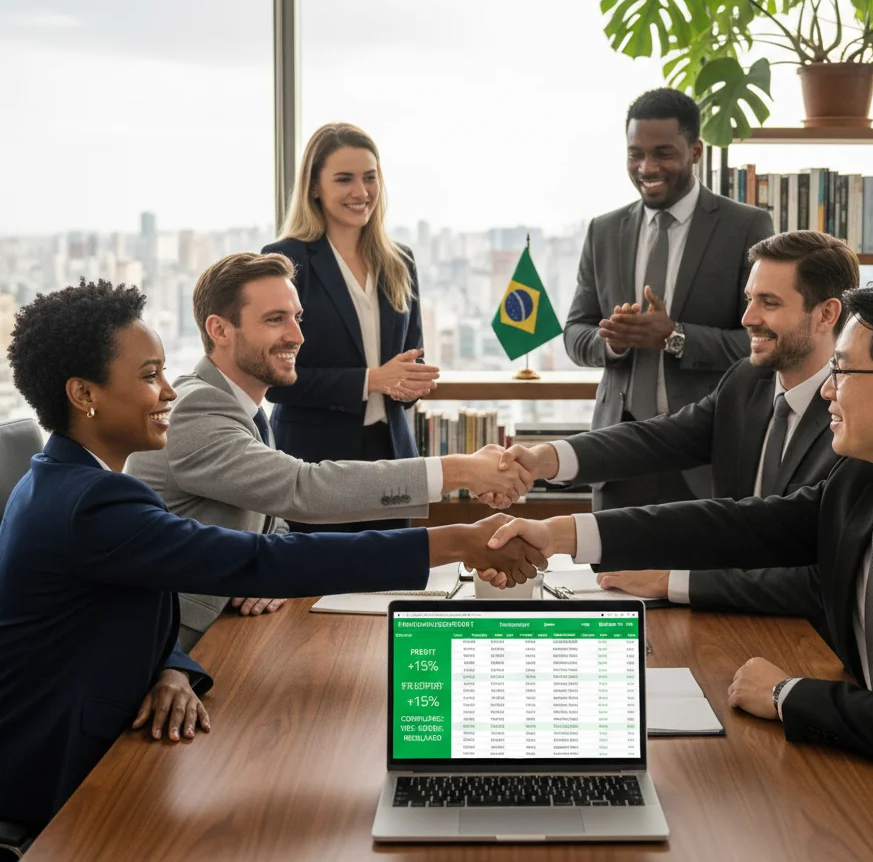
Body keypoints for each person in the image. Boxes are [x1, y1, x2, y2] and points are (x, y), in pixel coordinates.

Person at [487, 280, 873, 841]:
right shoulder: (863, 481)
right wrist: (561, 534)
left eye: (843, 371)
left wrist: (785, 694)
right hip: (870, 770)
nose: (826, 390)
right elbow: (738, 525)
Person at [0, 280, 542, 834]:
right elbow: (262, 560)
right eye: (148, 376)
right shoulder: (94, 504)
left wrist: (171, 668)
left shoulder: (65, 481)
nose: (167, 392)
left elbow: (134, 601)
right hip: (62, 782)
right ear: (83, 394)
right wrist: (455, 542)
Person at [127, 252, 531, 650]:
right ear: (219, 330)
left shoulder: (241, 407)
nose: (297, 336)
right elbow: (301, 489)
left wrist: (267, 579)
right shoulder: (197, 409)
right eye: (275, 319)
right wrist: (459, 471)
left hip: (227, 631)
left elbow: (273, 520)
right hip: (172, 647)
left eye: (297, 318)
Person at [500, 231, 858, 625]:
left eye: (769, 303)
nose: (748, 319)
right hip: (728, 621)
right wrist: (541, 460)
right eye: (749, 300)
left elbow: (818, 579)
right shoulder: (745, 382)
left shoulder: (856, 420)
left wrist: (673, 581)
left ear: (826, 314)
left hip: (809, 636)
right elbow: (657, 439)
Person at [565, 87, 773, 510]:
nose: (647, 168)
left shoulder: (745, 226)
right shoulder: (603, 231)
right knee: (610, 558)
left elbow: (764, 341)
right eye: (635, 154)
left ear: (695, 151)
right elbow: (574, 333)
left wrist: (675, 336)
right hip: (617, 454)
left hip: (704, 454)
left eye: (663, 153)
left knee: (701, 557)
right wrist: (613, 341)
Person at [262, 123, 434, 534]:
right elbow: (274, 382)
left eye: (370, 177)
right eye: (344, 179)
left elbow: (411, 359)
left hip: (392, 455)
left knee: (392, 569)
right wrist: (371, 380)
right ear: (314, 186)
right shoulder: (285, 260)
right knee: (317, 573)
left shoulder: (400, 260)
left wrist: (409, 384)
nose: (361, 191)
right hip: (314, 462)